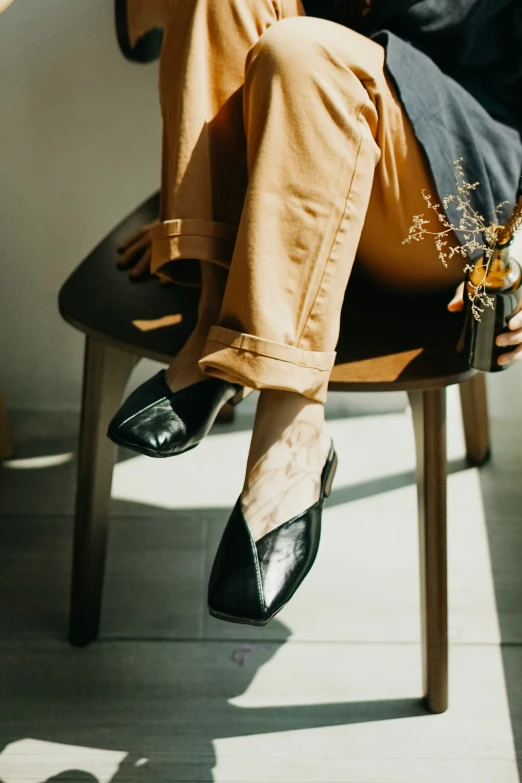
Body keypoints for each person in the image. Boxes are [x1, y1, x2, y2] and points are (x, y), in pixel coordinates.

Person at [108, 0, 522, 625]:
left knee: (304, 53)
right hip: (294, 190)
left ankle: (291, 429)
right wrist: (200, 224)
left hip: (442, 189)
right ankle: (216, 317)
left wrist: (516, 248)